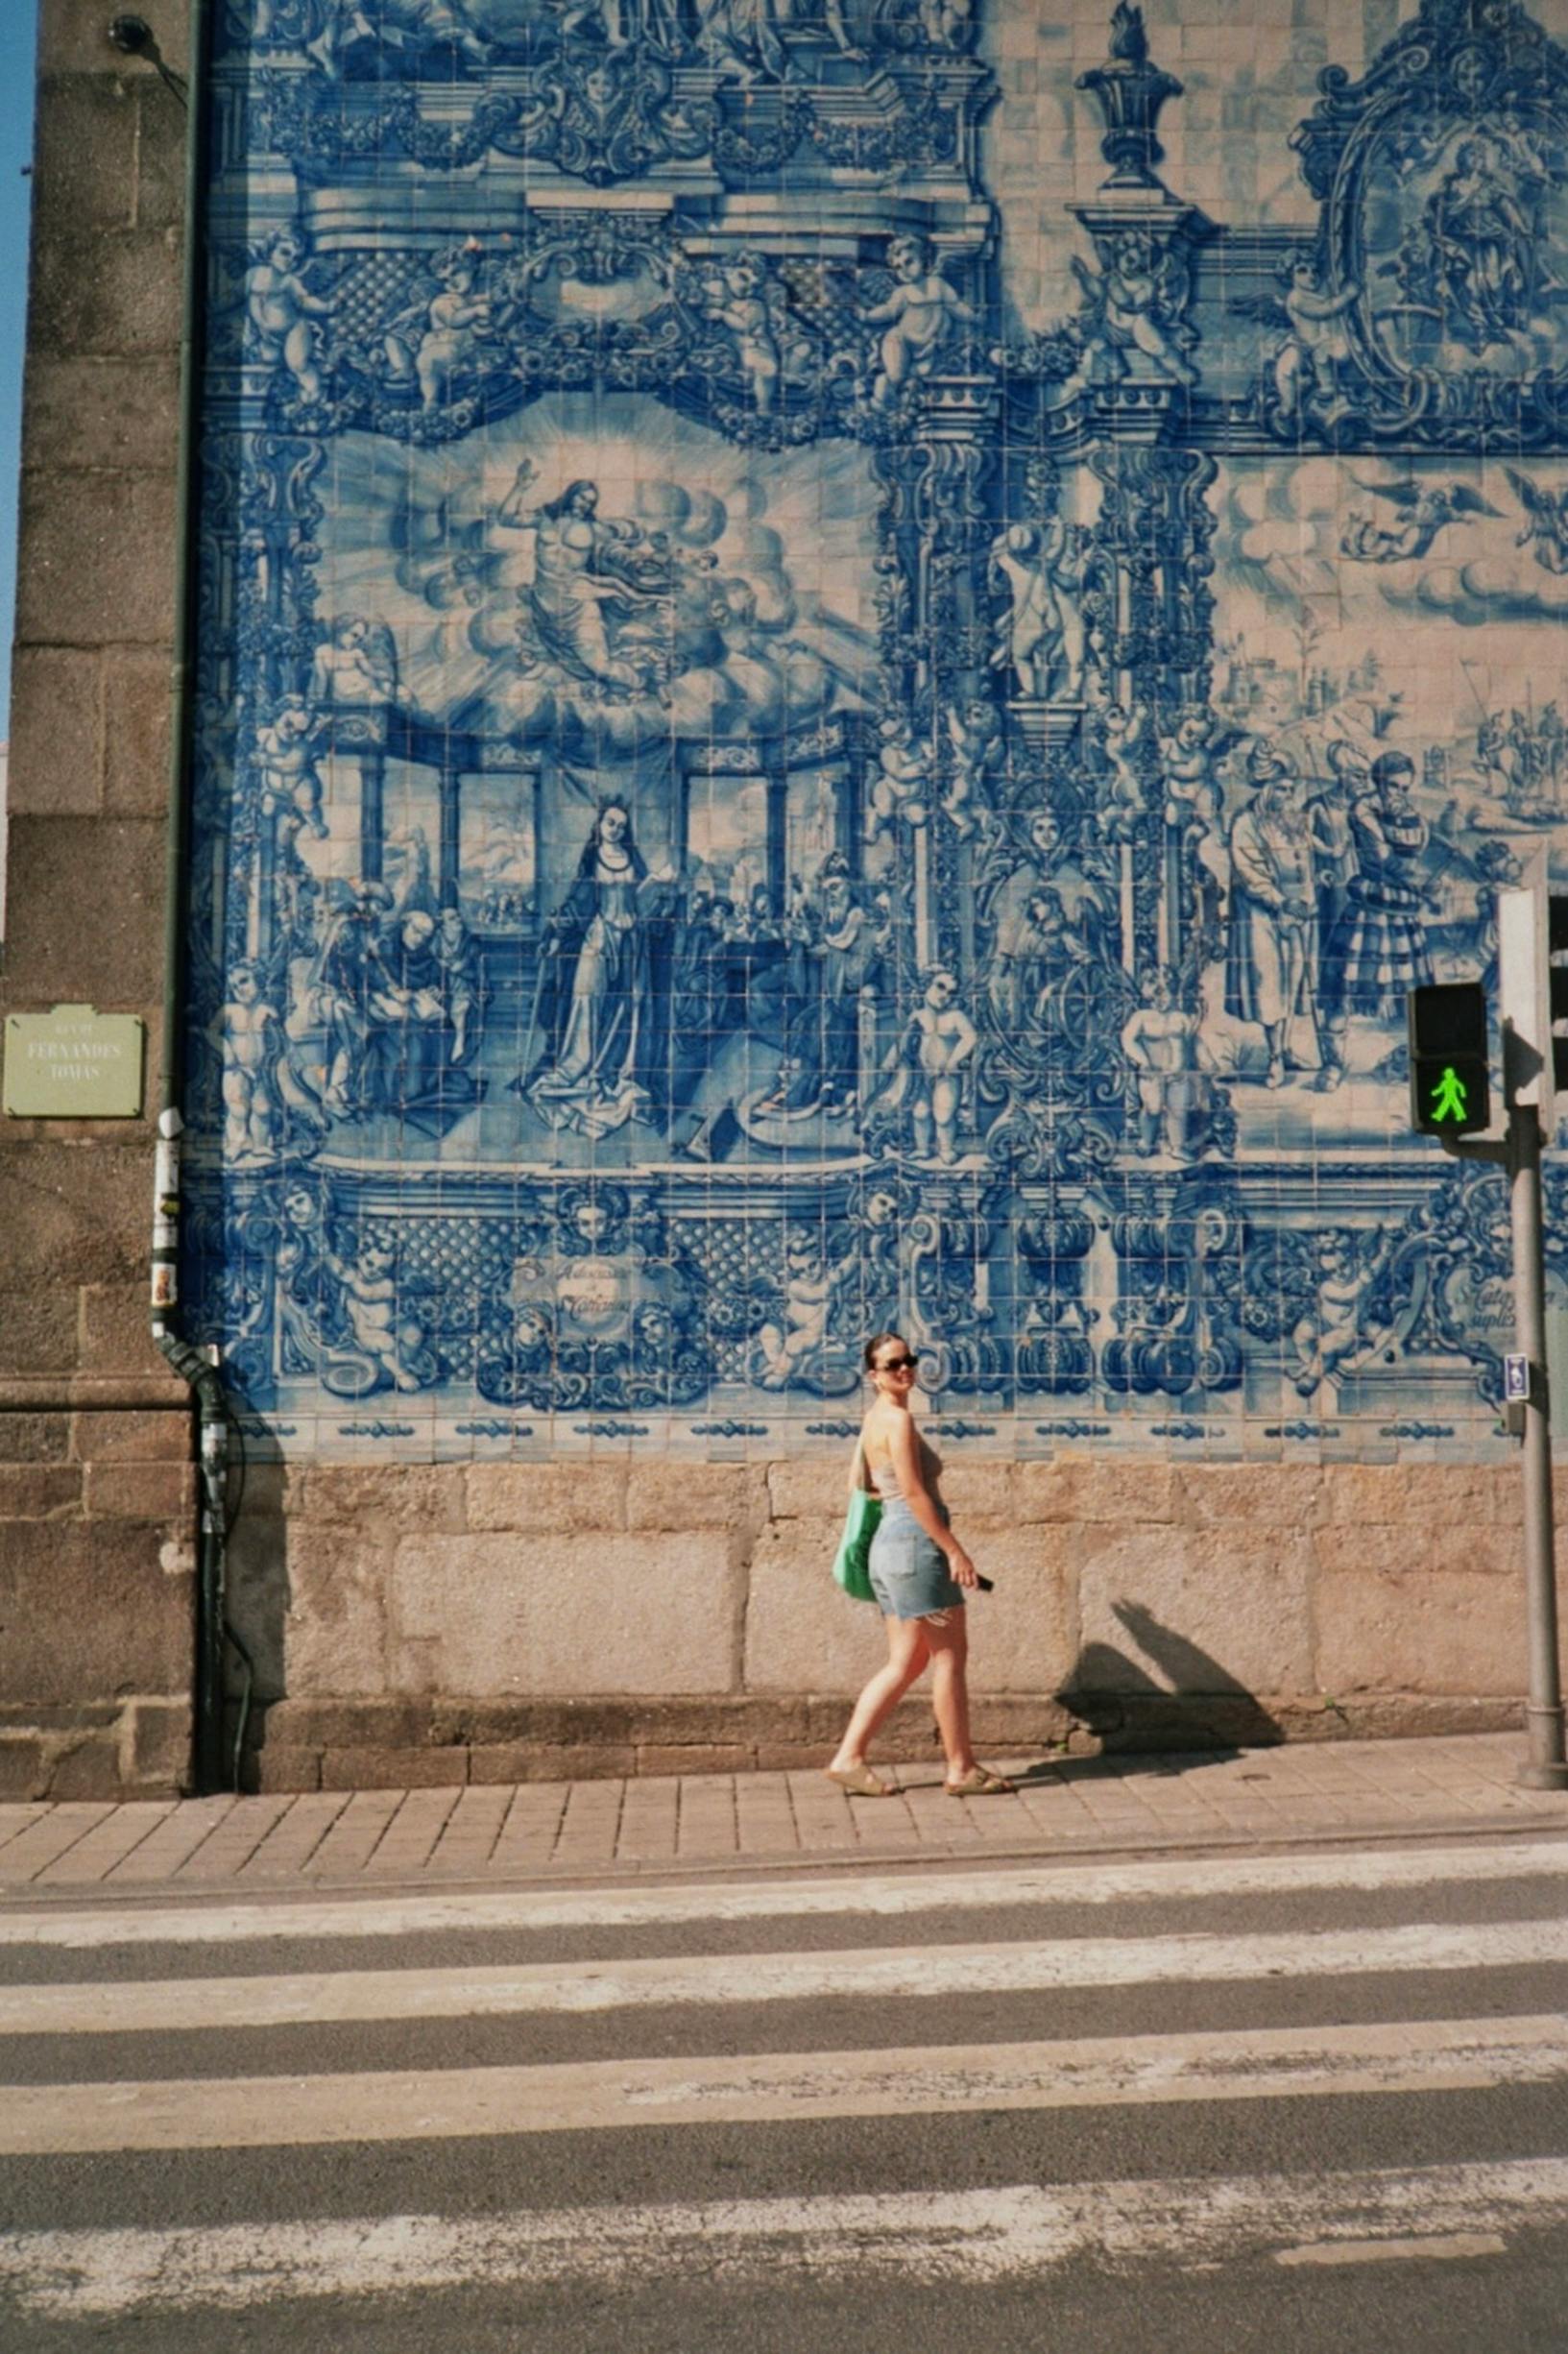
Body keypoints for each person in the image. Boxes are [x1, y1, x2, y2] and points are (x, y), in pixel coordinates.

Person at [825, 1333, 1016, 1800]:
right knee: (949, 1657)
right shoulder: (897, 1421)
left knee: (906, 1661)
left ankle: (849, 1758)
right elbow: (912, 1493)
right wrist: (954, 1551)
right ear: (873, 1376)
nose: (905, 1369)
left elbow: (874, 1490)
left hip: (890, 1552)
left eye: (909, 1360)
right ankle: (961, 1769)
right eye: (893, 1365)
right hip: (914, 1548)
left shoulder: (874, 1422)